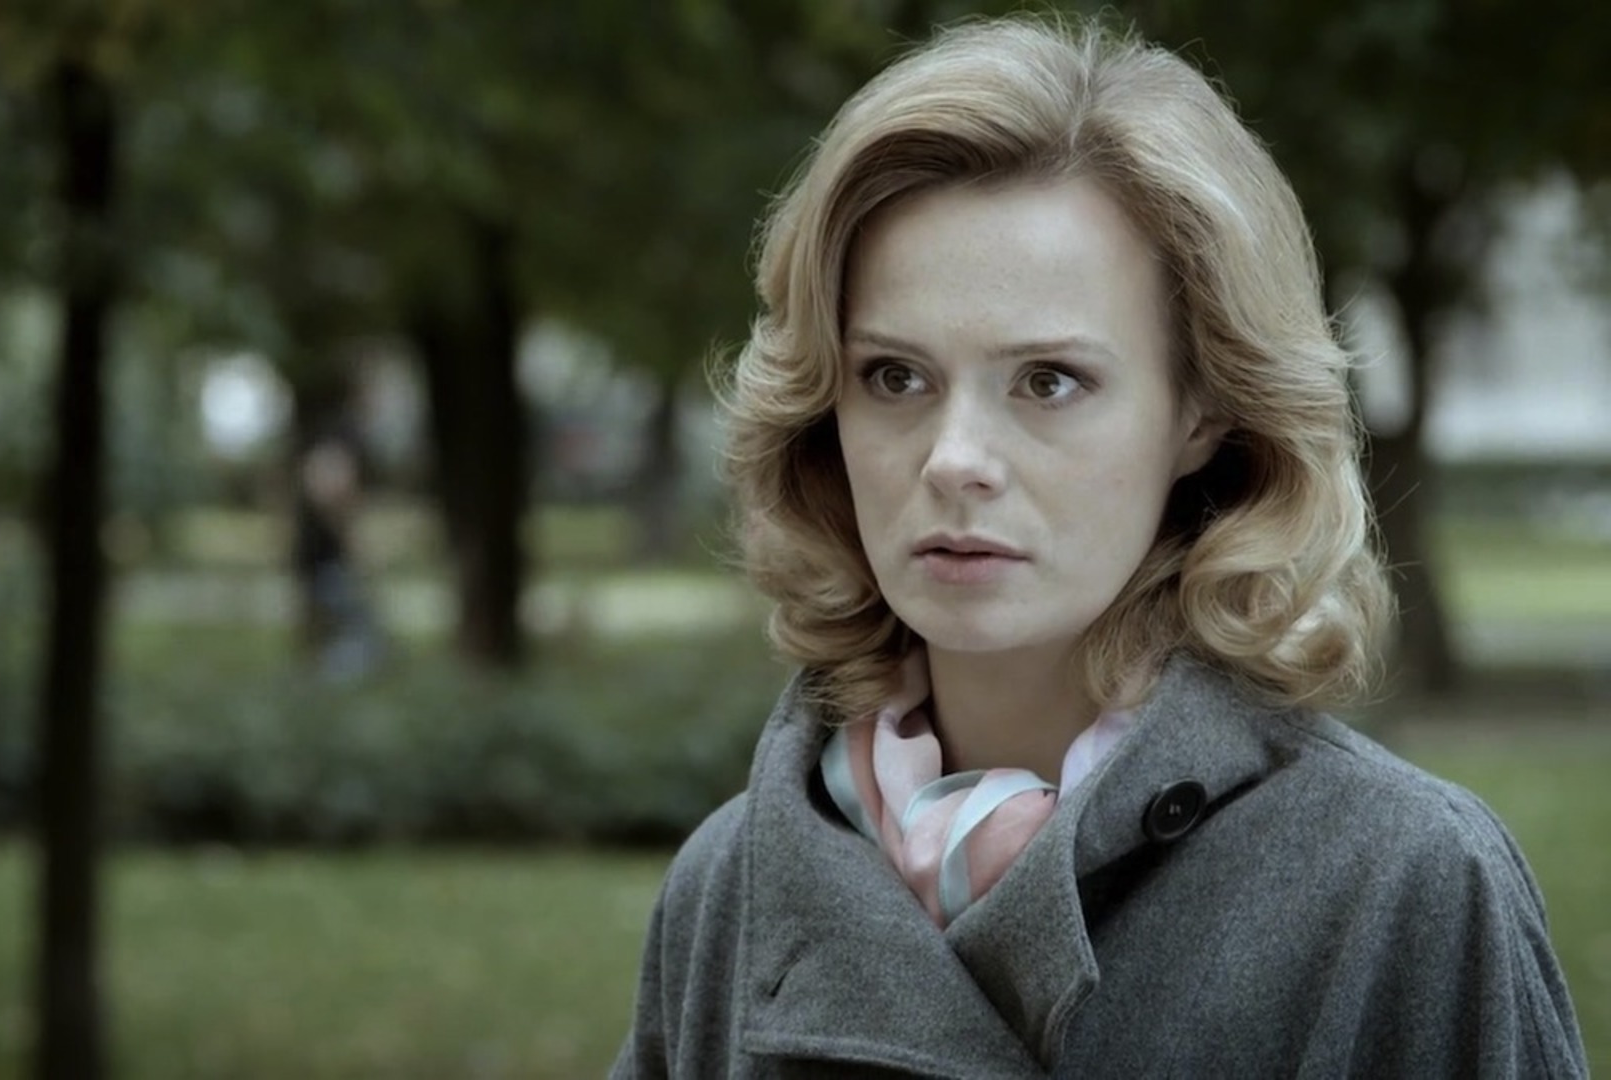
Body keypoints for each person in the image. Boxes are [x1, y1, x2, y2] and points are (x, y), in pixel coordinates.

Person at [611, 15, 1585, 1078]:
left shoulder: (1403, 884)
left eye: (1049, 381)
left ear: (1202, 413)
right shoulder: (729, 890)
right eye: (895, 376)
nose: (955, 460)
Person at [295, 421, 384, 681]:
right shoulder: (331, 465)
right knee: (355, 621)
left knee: (341, 620)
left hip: (319, 562)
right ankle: (337, 670)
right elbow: (339, 515)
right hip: (328, 564)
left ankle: (329, 666)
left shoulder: (315, 463)